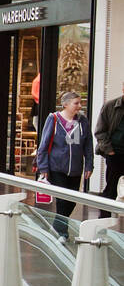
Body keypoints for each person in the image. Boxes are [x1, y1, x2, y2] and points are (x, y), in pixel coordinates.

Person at [36, 90, 92, 240]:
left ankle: (56, 226)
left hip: (75, 168)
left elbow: (88, 144)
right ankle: (62, 233)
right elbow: (44, 144)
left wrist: (89, 165)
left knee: (71, 201)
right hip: (57, 167)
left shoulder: (82, 121)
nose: (79, 106)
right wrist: (43, 167)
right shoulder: (53, 119)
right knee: (62, 200)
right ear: (65, 105)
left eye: (80, 103)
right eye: (76, 103)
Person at [94, 79, 124, 209]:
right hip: (115, 154)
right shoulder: (110, 106)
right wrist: (109, 151)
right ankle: (104, 221)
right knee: (111, 188)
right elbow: (100, 131)